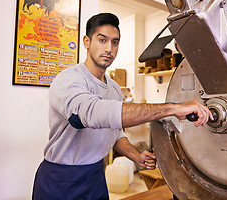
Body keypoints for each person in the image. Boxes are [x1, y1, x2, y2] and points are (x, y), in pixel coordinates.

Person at [32, 13, 213, 200]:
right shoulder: (69, 79)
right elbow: (91, 113)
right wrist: (171, 108)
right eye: (102, 40)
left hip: (95, 176)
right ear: (86, 41)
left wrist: (136, 156)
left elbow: (115, 133)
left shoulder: (114, 89)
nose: (109, 49)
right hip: (61, 179)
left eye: (115, 42)